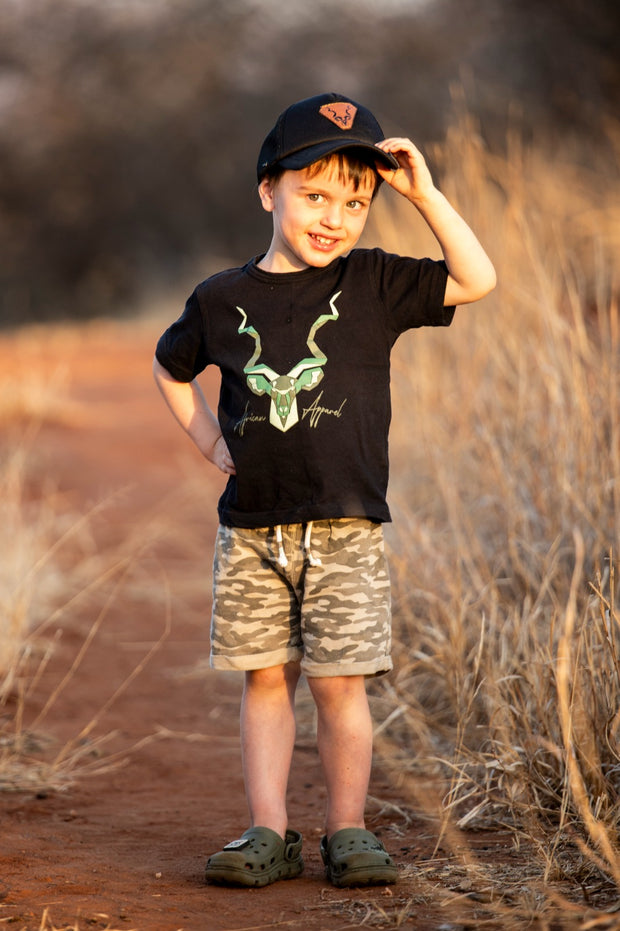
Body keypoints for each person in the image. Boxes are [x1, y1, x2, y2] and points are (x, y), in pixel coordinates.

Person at [153, 92, 496, 889]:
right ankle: (268, 831)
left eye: (356, 202)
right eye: (315, 195)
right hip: (252, 532)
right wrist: (208, 437)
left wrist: (425, 195)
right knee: (265, 678)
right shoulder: (219, 298)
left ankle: (348, 828)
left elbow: (477, 280)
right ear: (267, 189)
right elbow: (172, 367)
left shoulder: (375, 282)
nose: (335, 217)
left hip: (348, 529)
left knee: (340, 685)